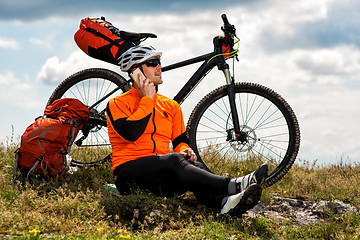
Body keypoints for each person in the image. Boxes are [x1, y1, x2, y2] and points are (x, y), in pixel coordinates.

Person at [106, 45, 268, 215]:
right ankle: (233, 185)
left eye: (159, 62)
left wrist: (185, 150)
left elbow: (180, 141)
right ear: (135, 70)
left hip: (159, 177)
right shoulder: (117, 103)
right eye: (153, 63)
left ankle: (223, 203)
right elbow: (131, 133)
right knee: (174, 161)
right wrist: (147, 99)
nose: (159, 67)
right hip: (128, 176)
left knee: (193, 163)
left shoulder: (171, 106)